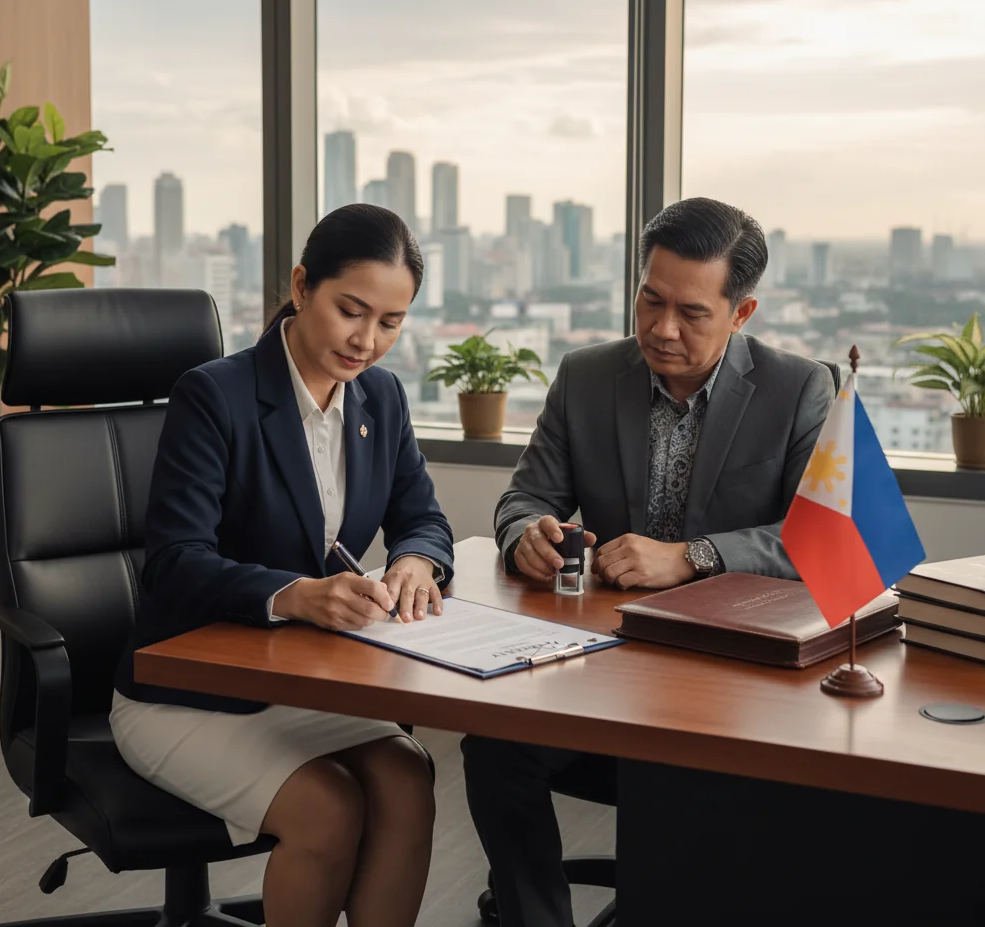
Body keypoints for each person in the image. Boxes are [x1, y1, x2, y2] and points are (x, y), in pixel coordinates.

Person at [461, 197, 836, 927]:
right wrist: (525, 533)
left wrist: (693, 559)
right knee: (495, 747)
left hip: (729, 679)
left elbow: (820, 540)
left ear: (742, 311)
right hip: (598, 666)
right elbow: (523, 496)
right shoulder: (586, 376)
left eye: (692, 312)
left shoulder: (798, 390)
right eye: (649, 299)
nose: (662, 329)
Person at [112, 204, 454, 927]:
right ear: (302, 287)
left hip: (300, 682)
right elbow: (174, 565)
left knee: (406, 777)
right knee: (328, 808)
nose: (366, 340)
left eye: (390, 323)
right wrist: (295, 595)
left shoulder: (381, 398)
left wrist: (419, 560)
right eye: (350, 310)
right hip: (183, 690)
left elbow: (422, 516)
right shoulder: (216, 395)